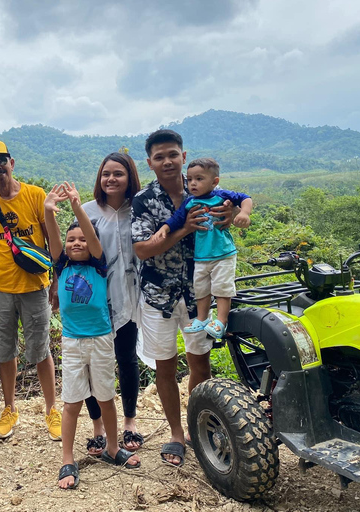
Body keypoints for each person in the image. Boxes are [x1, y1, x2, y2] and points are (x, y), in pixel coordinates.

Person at [131, 129, 234, 467]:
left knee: (199, 361)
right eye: (159, 156)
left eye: (172, 154)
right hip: (158, 295)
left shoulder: (212, 194)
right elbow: (143, 250)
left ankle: (197, 427)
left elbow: (230, 225)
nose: (167, 161)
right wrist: (184, 229)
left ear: (183, 156)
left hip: (197, 295)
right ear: (150, 163)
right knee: (165, 365)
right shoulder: (144, 200)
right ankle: (176, 433)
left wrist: (232, 215)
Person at [44, 182, 141, 489]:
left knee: (106, 398)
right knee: (72, 403)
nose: (76, 242)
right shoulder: (62, 266)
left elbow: (90, 235)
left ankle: (113, 448)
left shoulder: (99, 265)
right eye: (71, 239)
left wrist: (75, 206)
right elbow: (54, 238)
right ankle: (67, 459)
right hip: (73, 343)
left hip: (101, 340)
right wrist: (49, 211)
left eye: (82, 239)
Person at [0, 140, 62, 441]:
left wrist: (54, 280)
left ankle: (52, 409)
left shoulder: (36, 196)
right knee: (5, 351)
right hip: (0, 287)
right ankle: (10, 408)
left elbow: (53, 242)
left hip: (34, 286)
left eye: (1, 160)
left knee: (40, 350)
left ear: (12, 163)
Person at [81, 152, 144, 456]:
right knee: (94, 365)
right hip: (94, 299)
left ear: (130, 177)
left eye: (118, 173)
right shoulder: (88, 211)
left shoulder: (140, 209)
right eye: (106, 173)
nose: (111, 179)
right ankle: (98, 428)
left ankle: (130, 421)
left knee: (127, 358)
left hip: (130, 295)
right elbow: (73, 251)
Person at [151, 158, 252, 339]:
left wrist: (244, 213)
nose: (193, 183)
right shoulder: (190, 202)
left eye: (199, 179)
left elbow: (245, 198)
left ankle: (221, 321)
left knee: (222, 288)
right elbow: (177, 219)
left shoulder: (222, 196)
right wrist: (164, 229)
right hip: (201, 256)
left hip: (223, 253)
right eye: (189, 179)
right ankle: (202, 318)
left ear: (215, 182)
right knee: (201, 289)